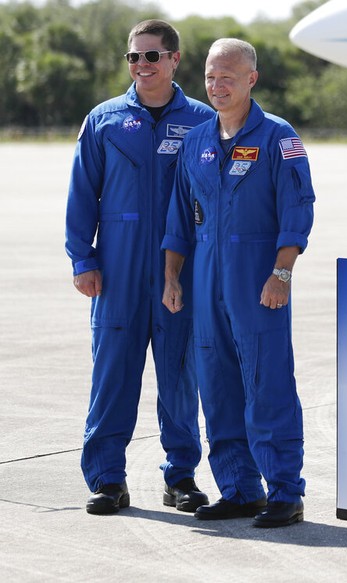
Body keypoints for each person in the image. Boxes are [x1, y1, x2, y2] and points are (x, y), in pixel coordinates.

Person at [162, 38, 315, 528]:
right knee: (218, 385)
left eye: (227, 76)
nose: (217, 85)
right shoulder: (197, 141)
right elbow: (178, 220)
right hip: (205, 278)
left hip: (257, 278)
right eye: (210, 76)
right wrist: (171, 278)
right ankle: (239, 489)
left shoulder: (277, 136)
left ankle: (285, 492)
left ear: (251, 78)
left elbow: (298, 208)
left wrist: (282, 272)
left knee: (267, 383)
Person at [66, 19, 214, 515]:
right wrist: (83, 257)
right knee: (112, 374)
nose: (142, 66)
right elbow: (82, 194)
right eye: (134, 57)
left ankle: (182, 477)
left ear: (175, 59)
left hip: (180, 270)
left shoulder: (202, 121)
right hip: (117, 269)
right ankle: (108, 478)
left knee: (179, 375)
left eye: (152, 56)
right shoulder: (104, 120)